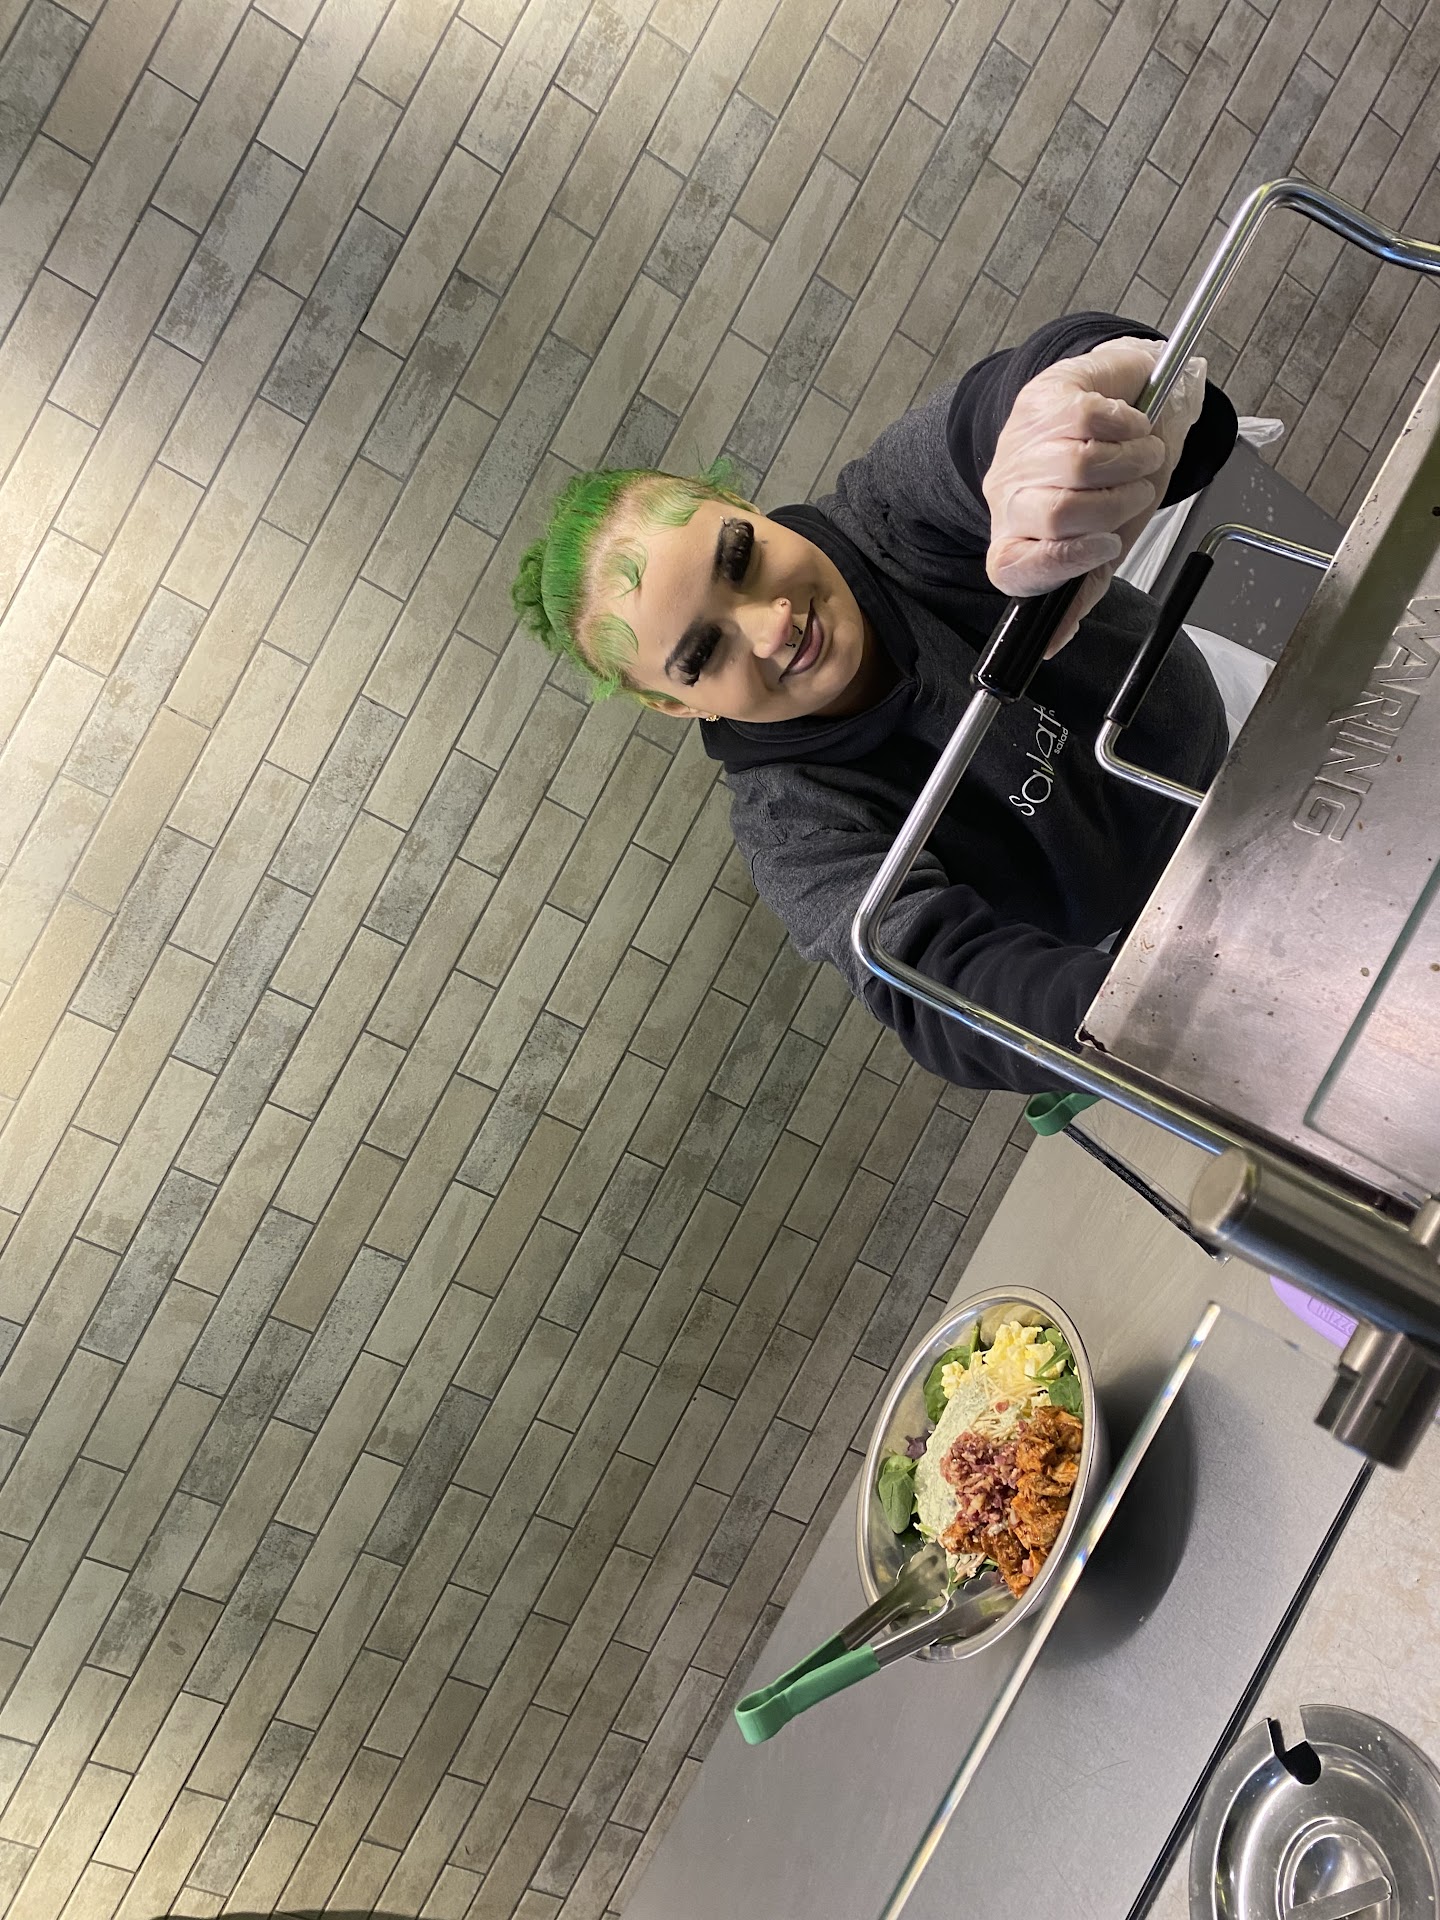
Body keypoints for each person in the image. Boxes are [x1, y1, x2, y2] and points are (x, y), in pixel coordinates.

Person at [511, 315, 1239, 1093]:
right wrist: (1140, 1018)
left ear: (742, 504)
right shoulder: (795, 826)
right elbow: (935, 982)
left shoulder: (894, 514)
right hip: (1140, 935)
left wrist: (1063, 406)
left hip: (1229, 738)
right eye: (703, 652)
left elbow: (985, 421)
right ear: (676, 706)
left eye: (741, 558)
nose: (772, 627)